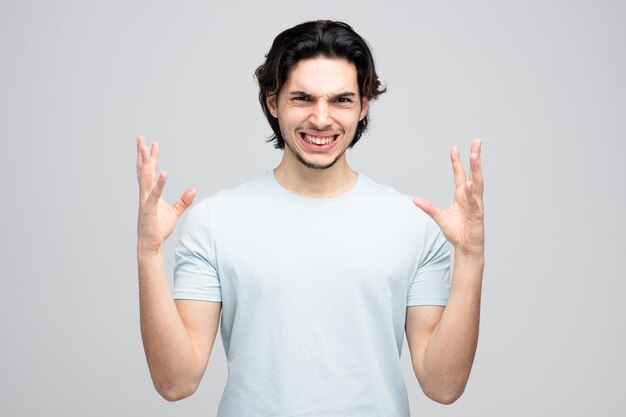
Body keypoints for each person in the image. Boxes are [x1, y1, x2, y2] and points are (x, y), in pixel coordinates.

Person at [136, 20, 484, 416]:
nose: (321, 119)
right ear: (273, 102)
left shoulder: (414, 224)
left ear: (363, 106)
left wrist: (471, 258)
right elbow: (175, 382)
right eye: (302, 98)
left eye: (341, 100)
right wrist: (148, 253)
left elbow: (443, 386)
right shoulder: (215, 221)